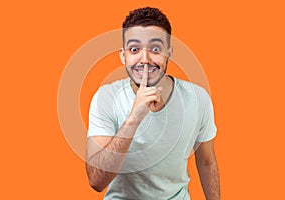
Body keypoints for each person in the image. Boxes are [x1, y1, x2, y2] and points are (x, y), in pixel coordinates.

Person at [86, 7, 220, 200]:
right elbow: (96, 181)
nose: (145, 59)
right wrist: (133, 119)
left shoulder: (198, 98)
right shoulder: (105, 97)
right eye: (135, 49)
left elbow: (207, 163)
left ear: (169, 53)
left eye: (155, 49)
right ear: (123, 56)